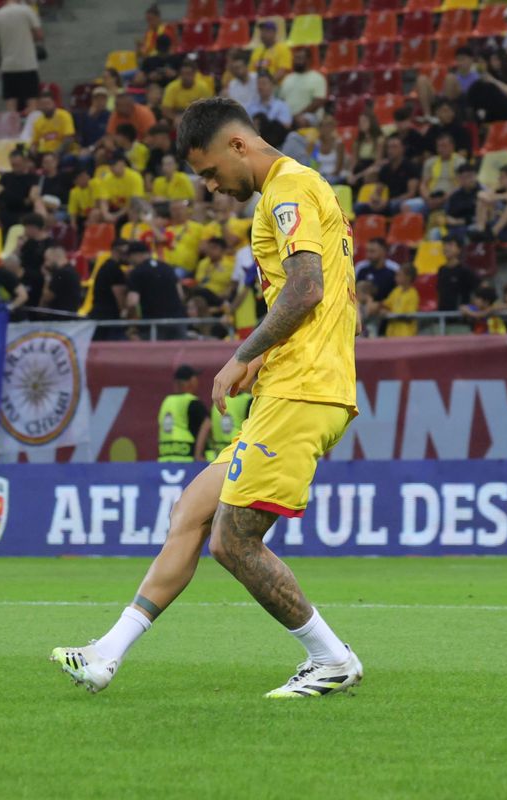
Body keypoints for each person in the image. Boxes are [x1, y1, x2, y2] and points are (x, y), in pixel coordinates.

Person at [53, 98, 361, 699]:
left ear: (238, 146)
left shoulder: (288, 189)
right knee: (191, 513)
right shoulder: (293, 194)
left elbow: (305, 290)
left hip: (303, 390)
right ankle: (105, 654)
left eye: (211, 171)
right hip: (290, 382)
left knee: (232, 540)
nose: (212, 186)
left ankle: (331, 658)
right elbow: (322, 301)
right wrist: (265, 359)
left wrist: (244, 354)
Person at [0, 0, 43, 113]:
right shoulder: (27, 11)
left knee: (11, 109)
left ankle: (13, 129)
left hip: (8, 66)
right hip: (28, 64)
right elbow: (39, 35)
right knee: (32, 106)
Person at [124, 240, 185, 339]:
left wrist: (131, 321)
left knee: (156, 353)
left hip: (153, 323)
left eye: (130, 257)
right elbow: (181, 295)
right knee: (179, 353)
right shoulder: (167, 267)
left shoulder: (136, 272)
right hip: (177, 320)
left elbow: (132, 302)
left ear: (136, 255)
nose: (129, 261)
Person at [158, 364, 212, 463]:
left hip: (165, 459)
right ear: (191, 382)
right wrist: (198, 455)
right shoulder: (192, 402)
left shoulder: (166, 402)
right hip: (187, 458)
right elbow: (207, 425)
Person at [277, 48, 326, 129]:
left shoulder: (317, 77)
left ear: (308, 59)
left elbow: (318, 102)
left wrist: (299, 114)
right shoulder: (288, 78)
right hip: (288, 116)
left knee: (302, 120)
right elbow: (281, 101)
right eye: (295, 58)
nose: (296, 61)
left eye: (299, 58)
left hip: (309, 115)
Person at [436, 235, 476, 311]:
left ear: (459, 249)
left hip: (458, 317)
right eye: (444, 244)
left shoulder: (465, 270)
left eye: (450, 245)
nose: (446, 248)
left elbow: (480, 290)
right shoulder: (441, 269)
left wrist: (471, 308)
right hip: (442, 316)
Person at [30, 89, 75, 156]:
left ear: (54, 103)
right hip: (45, 154)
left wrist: (55, 154)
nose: (46, 106)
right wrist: (31, 153)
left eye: (48, 103)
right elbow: (35, 143)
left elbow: (69, 139)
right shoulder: (38, 122)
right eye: (43, 104)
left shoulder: (64, 115)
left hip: (64, 153)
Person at [40, 244, 81, 314]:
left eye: (47, 259)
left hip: (60, 317)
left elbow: (47, 298)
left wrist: (47, 277)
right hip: (69, 315)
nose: (45, 264)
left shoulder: (62, 273)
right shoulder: (71, 270)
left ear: (55, 257)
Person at [382, 265, 420, 338]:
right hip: (391, 334)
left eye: (399, 275)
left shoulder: (413, 294)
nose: (395, 277)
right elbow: (386, 304)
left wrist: (391, 315)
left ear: (408, 277)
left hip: (406, 335)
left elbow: (410, 316)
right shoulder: (396, 291)